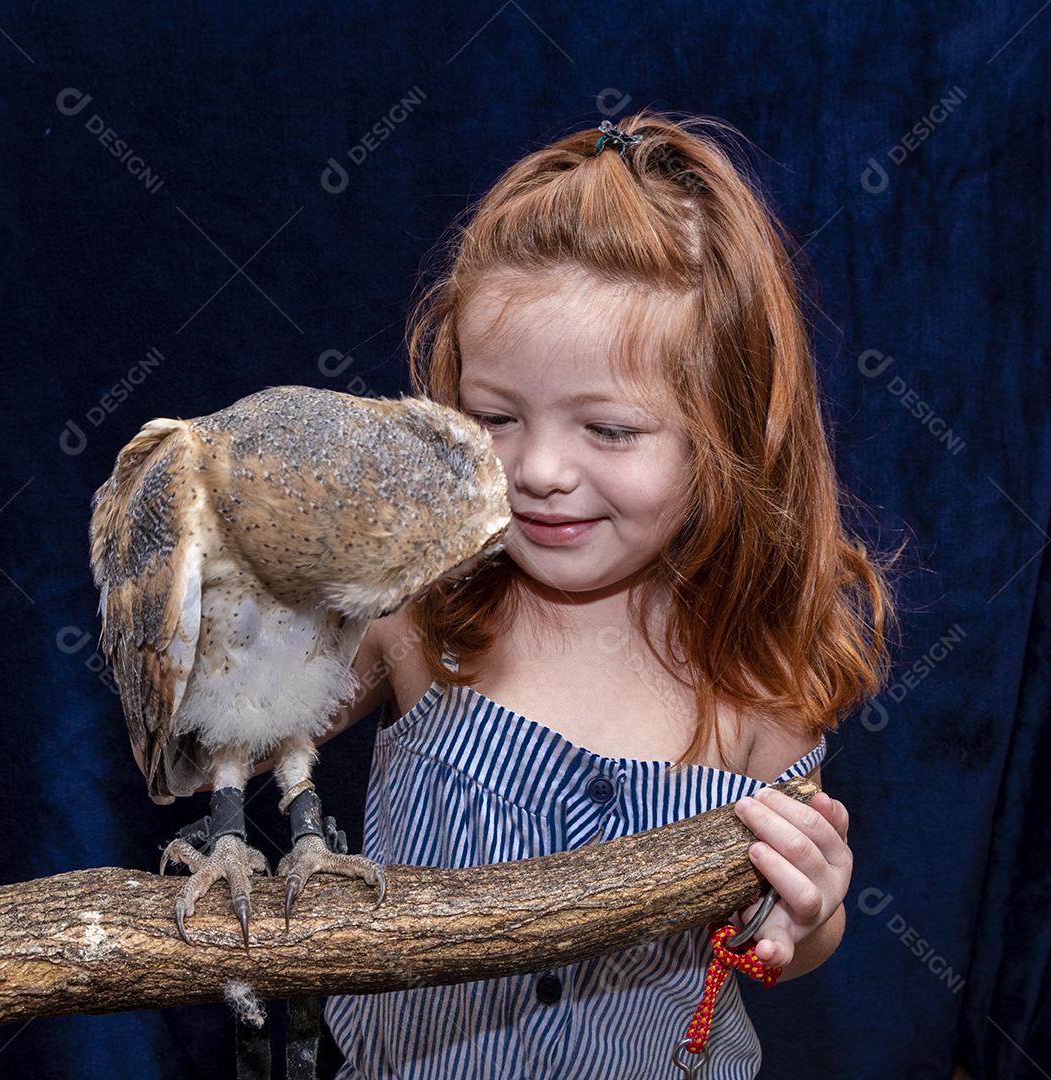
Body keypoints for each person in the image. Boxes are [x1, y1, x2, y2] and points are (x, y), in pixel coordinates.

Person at [318, 109, 899, 1078]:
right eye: (496, 416)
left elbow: (780, 948)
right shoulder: (415, 617)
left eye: (611, 430)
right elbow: (217, 746)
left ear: (728, 433)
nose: (540, 469)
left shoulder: (760, 684)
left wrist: (810, 907)